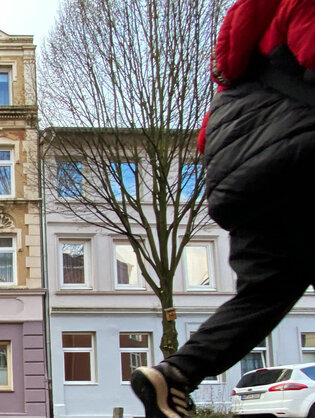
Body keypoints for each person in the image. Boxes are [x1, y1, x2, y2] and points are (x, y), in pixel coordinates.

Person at [131, 0, 315, 416]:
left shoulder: (236, 76)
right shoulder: (296, 6)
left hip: (241, 186)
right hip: (298, 160)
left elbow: (204, 142)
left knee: (263, 294)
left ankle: (175, 373)